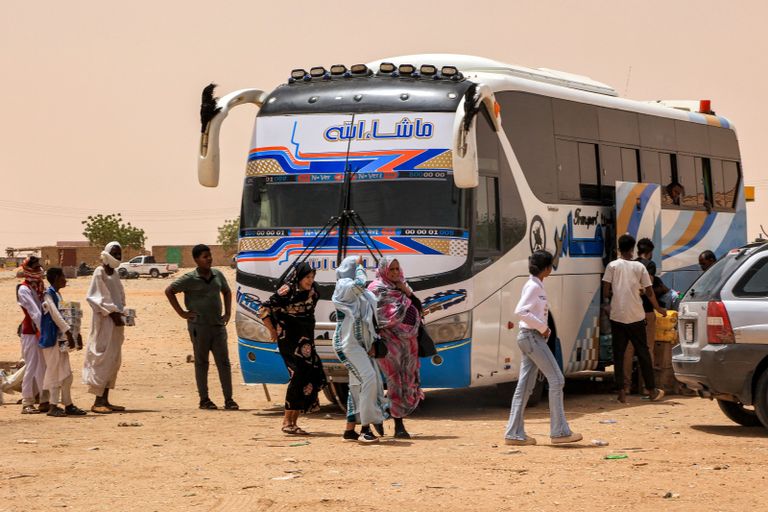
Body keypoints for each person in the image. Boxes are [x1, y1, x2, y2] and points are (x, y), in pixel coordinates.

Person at [504, 250, 582, 446]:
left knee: (525, 387)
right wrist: (544, 328)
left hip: (528, 338)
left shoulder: (533, 284)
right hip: (532, 337)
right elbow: (521, 311)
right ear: (547, 268)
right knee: (556, 379)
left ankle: (514, 432)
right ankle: (559, 431)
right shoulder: (533, 287)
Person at [165, 244, 238, 411]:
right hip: (199, 327)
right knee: (201, 363)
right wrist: (182, 313)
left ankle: (229, 399)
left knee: (223, 363)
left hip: (218, 327)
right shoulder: (189, 278)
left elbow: (226, 292)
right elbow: (169, 291)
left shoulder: (218, 275)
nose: (209, 259)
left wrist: (227, 313)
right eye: (205, 256)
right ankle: (204, 400)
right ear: (196, 260)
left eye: (209, 255)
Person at [259, 262, 326, 435]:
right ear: (299, 277)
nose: (310, 281)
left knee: (309, 374)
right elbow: (264, 308)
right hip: (289, 339)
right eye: (307, 277)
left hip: (306, 340)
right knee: (297, 375)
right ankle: (287, 421)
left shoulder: (314, 291)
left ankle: (294, 422)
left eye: (312, 277)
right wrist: (272, 330)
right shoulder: (287, 290)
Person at [603, 234, 667, 404]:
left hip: (617, 316)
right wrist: (658, 308)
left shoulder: (612, 266)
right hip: (637, 316)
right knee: (644, 352)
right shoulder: (640, 268)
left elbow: (606, 291)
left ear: (619, 248)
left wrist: (612, 300)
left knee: (619, 354)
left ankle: (622, 392)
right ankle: (652, 390)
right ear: (632, 250)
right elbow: (649, 291)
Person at [332, 255, 387, 443]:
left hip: (363, 346)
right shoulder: (343, 287)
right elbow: (360, 282)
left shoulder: (364, 295)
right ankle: (365, 429)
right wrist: (360, 267)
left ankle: (349, 430)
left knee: (359, 385)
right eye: (354, 266)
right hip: (348, 344)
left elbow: (372, 320)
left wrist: (374, 342)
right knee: (369, 379)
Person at [368, 257, 423, 439]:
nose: (394, 273)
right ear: (383, 270)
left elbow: (418, 308)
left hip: (408, 344)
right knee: (393, 381)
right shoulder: (375, 289)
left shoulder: (403, 288)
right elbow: (378, 317)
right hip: (388, 342)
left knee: (407, 380)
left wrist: (406, 291)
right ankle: (398, 424)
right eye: (391, 269)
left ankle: (386, 414)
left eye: (396, 269)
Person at [82, 241, 127, 414]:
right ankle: (98, 401)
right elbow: (94, 297)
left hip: (116, 324)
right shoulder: (99, 272)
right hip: (104, 322)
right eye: (114, 253)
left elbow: (120, 296)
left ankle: (106, 399)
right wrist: (112, 312)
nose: (117, 257)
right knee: (101, 357)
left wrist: (122, 313)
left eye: (119, 254)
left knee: (113, 360)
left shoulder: (115, 274)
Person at [622, 238, 669, 394]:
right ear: (650, 252)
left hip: (630, 311)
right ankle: (646, 387)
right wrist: (658, 307)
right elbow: (648, 290)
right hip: (646, 312)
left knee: (629, 349)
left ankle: (626, 386)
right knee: (647, 348)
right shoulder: (649, 265)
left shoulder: (631, 264)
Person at [39, 267, 87, 417]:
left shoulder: (57, 295)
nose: (65, 279)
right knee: (54, 373)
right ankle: (53, 406)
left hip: (60, 341)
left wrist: (75, 333)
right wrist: (68, 332)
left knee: (66, 373)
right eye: (63, 277)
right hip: (51, 340)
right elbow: (55, 315)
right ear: (56, 278)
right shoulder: (48, 295)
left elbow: (65, 316)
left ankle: (68, 404)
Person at [16, 256, 50, 414]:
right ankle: (27, 401)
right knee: (31, 365)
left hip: (41, 330)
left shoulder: (40, 286)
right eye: (35, 266)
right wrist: (44, 330)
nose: (38, 268)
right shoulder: (24, 289)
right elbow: (34, 313)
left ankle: (44, 399)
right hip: (30, 332)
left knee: (43, 366)